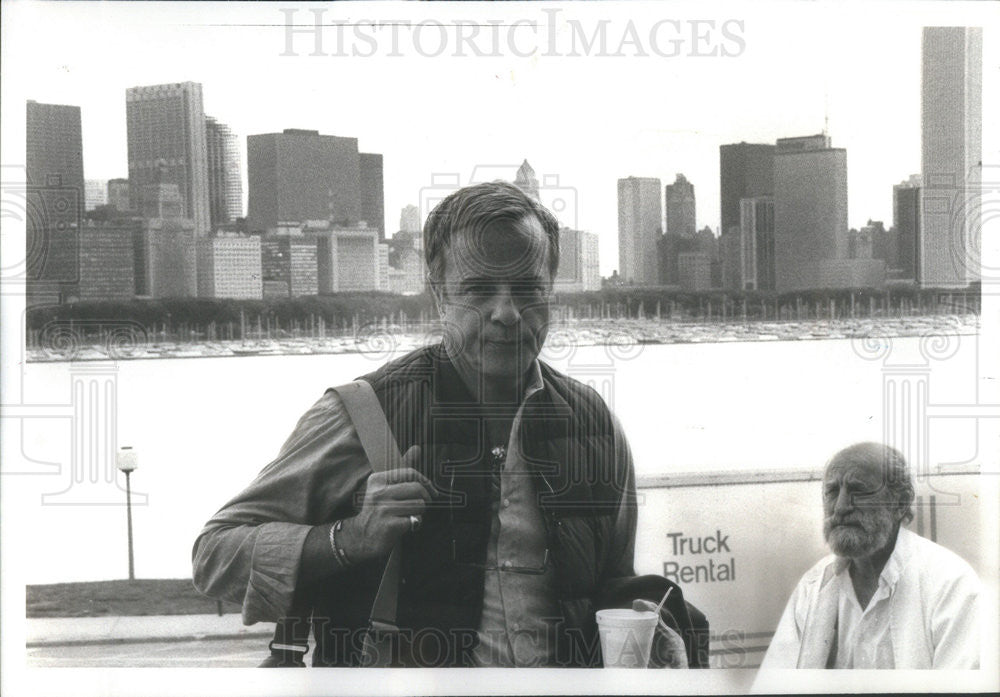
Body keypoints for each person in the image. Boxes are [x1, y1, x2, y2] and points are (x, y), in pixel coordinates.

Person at [192, 181, 702, 668]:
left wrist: (654, 625)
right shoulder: (362, 415)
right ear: (439, 295)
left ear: (551, 293)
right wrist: (350, 538)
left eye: (528, 289)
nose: (506, 312)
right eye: (479, 290)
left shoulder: (594, 424)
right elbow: (214, 556)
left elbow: (611, 585)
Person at [760, 442, 980, 669]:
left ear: (900, 503)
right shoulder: (813, 586)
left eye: (859, 491)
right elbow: (776, 684)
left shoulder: (950, 583)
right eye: (832, 492)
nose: (841, 507)